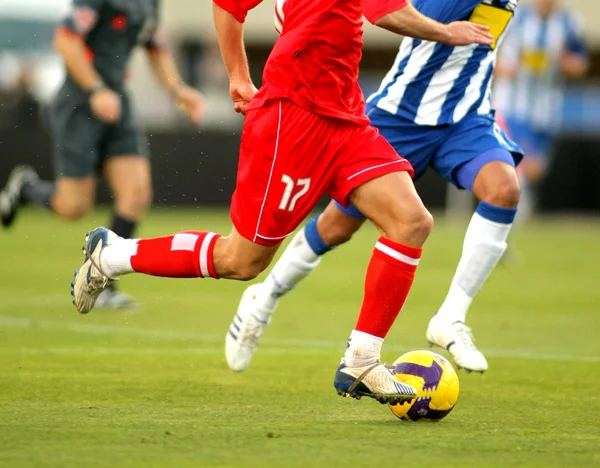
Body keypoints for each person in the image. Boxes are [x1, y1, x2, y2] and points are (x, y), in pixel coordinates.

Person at [70, 0, 492, 403]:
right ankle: (113, 255)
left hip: (345, 117)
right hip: (294, 118)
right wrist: (446, 32)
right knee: (242, 261)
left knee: (411, 221)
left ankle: (361, 360)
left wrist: (238, 76)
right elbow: (383, 11)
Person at [226, 0, 525, 375]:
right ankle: (264, 297)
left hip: (466, 117)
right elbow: (396, 13)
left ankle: (451, 317)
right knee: (337, 226)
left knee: (504, 189)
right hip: (401, 115)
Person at [0, 0, 204, 309]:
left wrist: (178, 90)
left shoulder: (150, 4)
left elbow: (156, 48)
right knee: (74, 206)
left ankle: (104, 282)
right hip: (79, 103)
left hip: (119, 102)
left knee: (136, 195)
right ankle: (26, 188)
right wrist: (96, 89)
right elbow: (66, 41)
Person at [495, 0, 588, 223]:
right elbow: (487, 48)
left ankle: (513, 215)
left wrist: (570, 64)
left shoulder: (569, 23)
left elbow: (581, 61)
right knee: (522, 165)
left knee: (536, 170)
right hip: (512, 107)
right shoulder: (516, 18)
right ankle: (504, 222)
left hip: (546, 110)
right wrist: (500, 68)